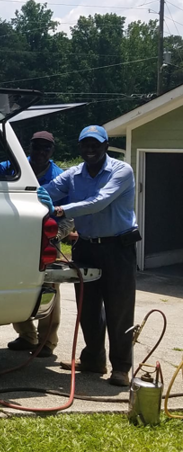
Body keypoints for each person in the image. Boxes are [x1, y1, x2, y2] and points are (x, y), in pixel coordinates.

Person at [46, 124, 139, 387]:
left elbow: (100, 201)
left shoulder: (121, 171)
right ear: (80, 147)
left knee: (118, 309)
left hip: (117, 247)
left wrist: (61, 210)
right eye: (86, 145)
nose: (90, 149)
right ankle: (93, 360)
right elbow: (49, 191)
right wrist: (31, 198)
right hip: (85, 246)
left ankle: (121, 367)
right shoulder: (74, 174)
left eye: (95, 144)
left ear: (105, 146)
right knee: (87, 307)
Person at [0, 131, 65, 357]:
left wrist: (55, 235)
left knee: (49, 288)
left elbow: (69, 215)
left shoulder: (59, 176)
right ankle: (26, 335)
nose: (40, 152)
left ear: (52, 151)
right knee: (16, 283)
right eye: (37, 147)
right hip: (14, 238)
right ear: (29, 147)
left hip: (48, 239)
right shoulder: (11, 167)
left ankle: (47, 342)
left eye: (46, 148)